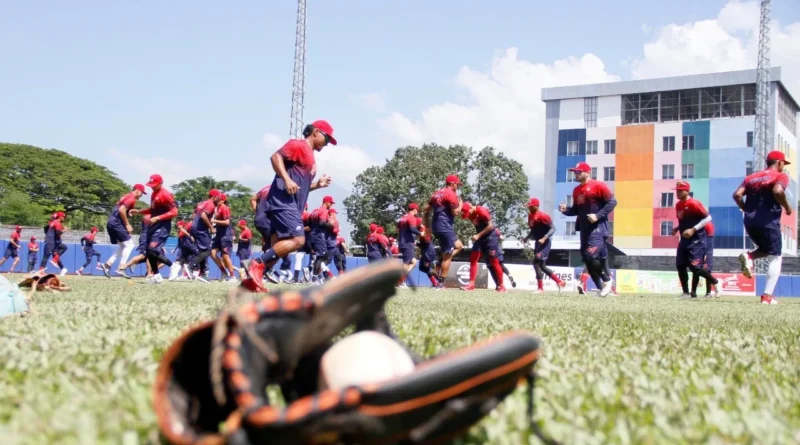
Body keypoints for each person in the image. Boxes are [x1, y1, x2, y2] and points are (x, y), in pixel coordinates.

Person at [245, 120, 336, 291]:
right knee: (298, 240)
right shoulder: (299, 145)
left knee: (279, 247)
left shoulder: (310, 155)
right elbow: (275, 157)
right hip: (283, 201)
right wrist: (286, 179)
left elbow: (301, 186)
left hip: (291, 204)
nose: (327, 143)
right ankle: (255, 263)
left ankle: (250, 283)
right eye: (327, 138)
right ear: (316, 132)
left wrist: (318, 184)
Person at [733, 150, 793, 305]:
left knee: (767, 249)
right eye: (783, 164)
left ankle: (750, 257)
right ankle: (767, 296)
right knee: (776, 257)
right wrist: (787, 207)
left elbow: (737, 195)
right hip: (768, 222)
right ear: (779, 163)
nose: (783, 167)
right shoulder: (780, 176)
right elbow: (778, 191)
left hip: (750, 222)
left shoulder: (751, 177)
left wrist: (745, 208)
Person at [559, 162, 616, 297]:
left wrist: (598, 216)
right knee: (587, 258)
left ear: (587, 172)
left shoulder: (598, 185)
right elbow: (576, 210)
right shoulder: (576, 190)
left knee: (590, 255)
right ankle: (602, 289)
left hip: (598, 228)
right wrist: (565, 211)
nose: (576, 174)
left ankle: (607, 281)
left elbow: (613, 202)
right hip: (584, 230)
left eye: (578, 172)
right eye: (575, 172)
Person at [672, 181, 720, 299]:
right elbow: (684, 221)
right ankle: (686, 293)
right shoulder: (678, 205)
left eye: (679, 190)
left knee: (696, 268)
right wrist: (678, 228)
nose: (677, 192)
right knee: (680, 265)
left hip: (697, 240)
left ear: (686, 191)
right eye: (676, 190)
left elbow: (708, 218)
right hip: (684, 239)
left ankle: (716, 283)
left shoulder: (694, 203)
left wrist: (693, 230)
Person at [130, 174, 180, 284]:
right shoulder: (153, 194)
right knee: (149, 251)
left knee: (152, 250)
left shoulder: (166, 195)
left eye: (154, 185)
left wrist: (158, 218)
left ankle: (173, 266)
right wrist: (139, 212)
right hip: (154, 225)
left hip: (163, 226)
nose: (152, 187)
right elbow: (152, 210)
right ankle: (156, 276)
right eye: (151, 185)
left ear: (161, 183)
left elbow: (174, 212)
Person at [423, 175, 463, 283]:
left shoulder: (437, 193)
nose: (458, 187)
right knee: (448, 256)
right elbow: (455, 213)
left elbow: (426, 209)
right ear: (453, 184)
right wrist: (460, 206)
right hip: (445, 227)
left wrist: (427, 226)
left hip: (436, 227)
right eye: (457, 185)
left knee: (459, 246)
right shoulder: (452, 194)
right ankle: (440, 283)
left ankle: (439, 260)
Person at [459, 202, 506, 292]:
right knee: (473, 258)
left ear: (471, 208)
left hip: (490, 237)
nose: (468, 216)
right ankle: (471, 284)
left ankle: (501, 286)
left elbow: (490, 226)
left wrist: (478, 235)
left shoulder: (481, 211)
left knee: (494, 261)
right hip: (480, 238)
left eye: (467, 213)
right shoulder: (471, 215)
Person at [102, 184, 146, 278]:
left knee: (123, 246)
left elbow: (120, 209)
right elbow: (122, 210)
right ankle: (121, 268)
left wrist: (129, 211)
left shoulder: (125, 196)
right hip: (116, 223)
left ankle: (107, 264)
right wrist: (127, 224)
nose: (141, 195)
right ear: (138, 190)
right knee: (130, 245)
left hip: (111, 222)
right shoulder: (131, 198)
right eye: (142, 193)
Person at [523, 198, 564, 294]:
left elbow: (553, 228)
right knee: (542, 266)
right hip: (537, 243)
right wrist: (527, 237)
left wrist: (544, 238)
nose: (529, 208)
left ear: (536, 206)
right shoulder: (530, 216)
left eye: (531, 206)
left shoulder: (543, 216)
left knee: (536, 262)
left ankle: (540, 289)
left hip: (545, 243)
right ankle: (560, 282)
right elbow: (533, 230)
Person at [190, 190, 221, 282]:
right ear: (214, 196)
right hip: (201, 230)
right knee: (208, 251)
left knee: (202, 251)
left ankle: (203, 273)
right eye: (218, 197)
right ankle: (191, 265)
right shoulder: (210, 204)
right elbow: (204, 215)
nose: (219, 200)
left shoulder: (201, 203)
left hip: (194, 227)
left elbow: (193, 215)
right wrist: (211, 227)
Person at [307, 196, 335, 282]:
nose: (331, 205)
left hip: (312, 235)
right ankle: (314, 279)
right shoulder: (324, 211)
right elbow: (322, 223)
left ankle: (314, 275)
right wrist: (331, 224)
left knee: (319, 257)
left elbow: (309, 224)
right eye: (331, 203)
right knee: (321, 257)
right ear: (327, 202)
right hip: (319, 236)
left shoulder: (315, 211)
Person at [211, 194, 236, 282]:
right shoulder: (217, 208)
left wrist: (214, 221)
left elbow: (226, 222)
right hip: (219, 235)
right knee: (212, 253)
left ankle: (233, 276)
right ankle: (224, 272)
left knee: (225, 256)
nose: (216, 200)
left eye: (218, 199)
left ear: (222, 200)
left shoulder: (225, 208)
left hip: (225, 235)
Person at [397, 203, 421, 286]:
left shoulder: (402, 218)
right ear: (414, 210)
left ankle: (401, 278)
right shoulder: (411, 217)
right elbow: (412, 229)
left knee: (413, 262)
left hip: (402, 242)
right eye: (417, 210)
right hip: (408, 243)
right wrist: (420, 233)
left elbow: (397, 230)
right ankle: (399, 281)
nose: (417, 212)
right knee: (406, 263)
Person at [39, 212, 68, 276]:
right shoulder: (57, 223)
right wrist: (64, 230)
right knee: (46, 256)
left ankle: (60, 266)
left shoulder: (53, 222)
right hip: (51, 242)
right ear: (59, 217)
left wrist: (48, 235)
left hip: (54, 241)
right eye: (63, 217)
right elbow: (58, 233)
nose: (64, 218)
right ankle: (41, 271)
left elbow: (45, 228)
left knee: (62, 248)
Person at [691, 221, 716, 298]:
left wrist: (706, 253)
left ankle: (708, 293)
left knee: (707, 269)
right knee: (696, 269)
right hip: (700, 246)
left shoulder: (705, 224)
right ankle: (693, 292)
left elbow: (708, 242)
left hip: (705, 245)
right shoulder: (701, 224)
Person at [417, 225, 443, 289]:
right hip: (426, 252)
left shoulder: (424, 234)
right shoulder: (422, 235)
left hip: (428, 253)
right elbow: (423, 244)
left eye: (418, 229)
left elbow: (426, 241)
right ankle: (436, 283)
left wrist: (417, 243)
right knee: (422, 268)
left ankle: (440, 282)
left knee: (427, 268)